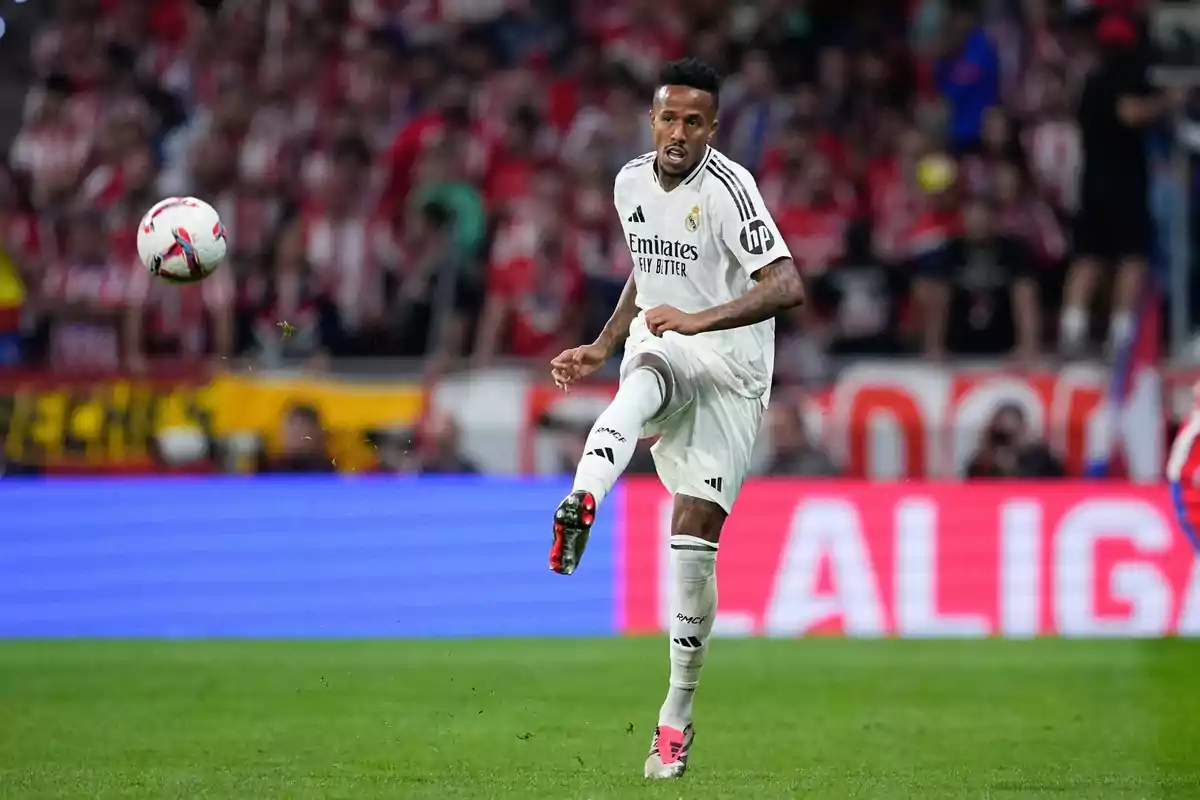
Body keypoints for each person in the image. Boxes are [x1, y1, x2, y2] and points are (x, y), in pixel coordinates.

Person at [546, 58, 804, 779]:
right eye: (669, 117)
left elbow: (787, 283)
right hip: (666, 341)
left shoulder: (730, 189)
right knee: (644, 373)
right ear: (652, 119)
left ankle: (675, 717)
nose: (679, 132)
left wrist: (700, 318)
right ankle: (582, 499)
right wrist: (603, 342)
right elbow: (647, 265)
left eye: (695, 121)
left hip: (733, 373)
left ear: (712, 129)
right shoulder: (629, 181)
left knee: (693, 533)